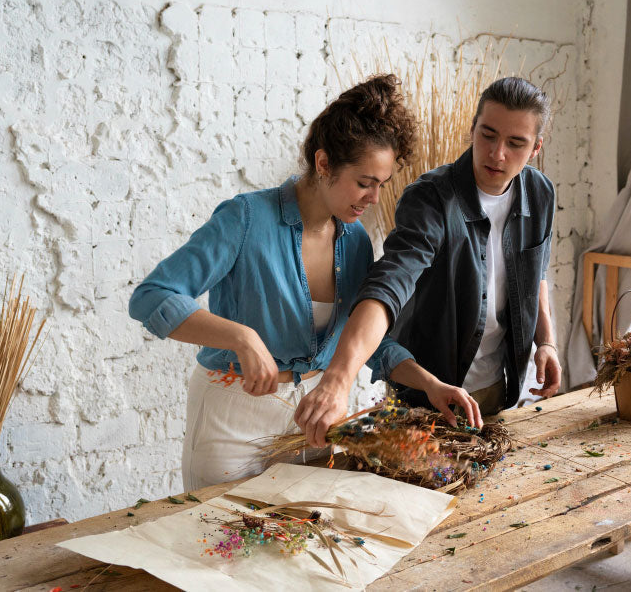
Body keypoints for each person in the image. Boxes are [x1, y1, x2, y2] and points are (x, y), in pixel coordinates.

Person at [127, 75, 477, 490]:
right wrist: (241, 337)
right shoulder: (244, 219)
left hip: (315, 420)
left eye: (381, 185)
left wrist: (429, 383)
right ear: (323, 162)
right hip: (231, 419)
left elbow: (366, 341)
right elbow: (151, 297)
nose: (373, 198)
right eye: (365, 182)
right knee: (218, 544)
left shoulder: (357, 241)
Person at [295, 76, 562, 448]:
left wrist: (545, 342)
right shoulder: (430, 199)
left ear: (535, 148)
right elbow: (390, 284)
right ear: (472, 129)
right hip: (424, 399)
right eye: (487, 135)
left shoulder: (541, 193)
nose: (497, 153)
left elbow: (537, 271)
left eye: (515, 143)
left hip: (499, 390)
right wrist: (338, 379)